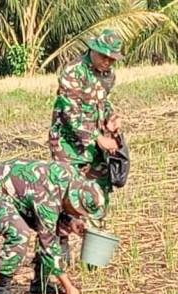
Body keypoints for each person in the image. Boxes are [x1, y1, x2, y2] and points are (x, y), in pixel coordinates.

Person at [0, 158, 104, 294]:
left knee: (60, 227)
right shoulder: (47, 198)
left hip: (19, 194)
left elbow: (57, 213)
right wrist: (68, 286)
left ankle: (39, 284)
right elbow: (48, 244)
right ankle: (0, 292)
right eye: (79, 212)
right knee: (19, 234)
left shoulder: (74, 180)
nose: (79, 215)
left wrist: (71, 220)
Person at [48, 29, 125, 235]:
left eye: (112, 59)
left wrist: (111, 118)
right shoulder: (73, 72)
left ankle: (93, 252)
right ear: (92, 49)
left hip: (95, 148)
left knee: (98, 194)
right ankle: (55, 257)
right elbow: (69, 112)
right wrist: (97, 137)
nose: (107, 62)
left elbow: (102, 102)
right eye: (103, 56)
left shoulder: (108, 75)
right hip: (68, 145)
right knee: (65, 198)